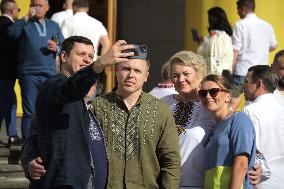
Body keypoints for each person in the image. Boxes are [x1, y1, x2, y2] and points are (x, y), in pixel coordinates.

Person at [22, 39, 181, 188]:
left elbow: (171, 160)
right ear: (116, 70)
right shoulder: (96, 106)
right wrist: (29, 159)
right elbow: (40, 130)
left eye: (137, 71)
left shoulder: (160, 110)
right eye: (126, 68)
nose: (131, 75)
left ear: (146, 76)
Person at [162, 51, 261, 188]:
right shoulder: (163, 104)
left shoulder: (211, 107)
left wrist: (259, 167)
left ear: (199, 75)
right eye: (175, 75)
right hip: (164, 183)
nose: (181, 79)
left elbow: (245, 146)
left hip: (198, 184)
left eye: (186, 74)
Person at [7, 0, 64, 142]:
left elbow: (64, 46)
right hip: (29, 74)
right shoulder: (24, 23)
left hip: (49, 74)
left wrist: (56, 48)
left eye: (39, 5)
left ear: (47, 8)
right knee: (30, 112)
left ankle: (45, 144)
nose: (36, 8)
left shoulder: (53, 25)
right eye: (33, 5)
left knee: (47, 111)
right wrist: (25, 18)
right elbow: (11, 34)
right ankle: (28, 148)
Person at [199, 74, 256, 189]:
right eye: (203, 93)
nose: (208, 96)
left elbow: (241, 163)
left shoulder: (239, 119)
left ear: (228, 96)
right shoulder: (214, 128)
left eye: (213, 91)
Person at [230, 0, 277, 111]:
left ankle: (228, 125)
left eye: (238, 10)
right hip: (261, 72)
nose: (237, 13)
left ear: (243, 9)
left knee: (233, 101)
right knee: (256, 102)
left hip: (242, 71)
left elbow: (235, 50)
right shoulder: (267, 26)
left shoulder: (239, 25)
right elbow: (274, 45)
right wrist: (260, 50)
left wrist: (230, 70)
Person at [242, 65, 284, 189]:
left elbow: (251, 151)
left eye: (246, 82)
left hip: (261, 183)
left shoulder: (250, 110)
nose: (243, 86)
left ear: (259, 84)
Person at [0, 0, 22, 147]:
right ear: (12, 10)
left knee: (11, 102)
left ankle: (13, 134)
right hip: (6, 72)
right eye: (18, 10)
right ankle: (12, 134)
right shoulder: (10, 27)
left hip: (5, 73)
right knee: (3, 103)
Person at [197, 7, 234, 76]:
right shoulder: (212, 36)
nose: (208, 21)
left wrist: (212, 78)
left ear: (215, 19)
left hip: (216, 76)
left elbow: (214, 59)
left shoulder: (218, 37)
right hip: (213, 74)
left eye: (209, 18)